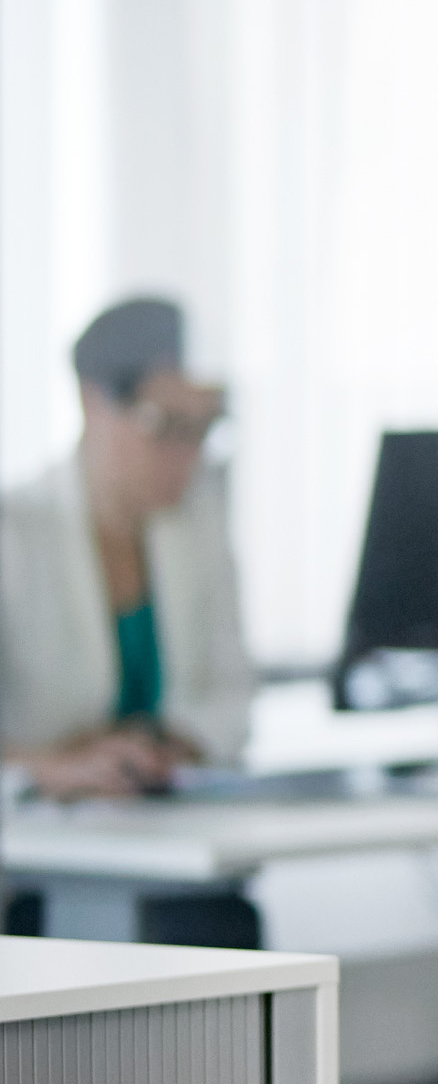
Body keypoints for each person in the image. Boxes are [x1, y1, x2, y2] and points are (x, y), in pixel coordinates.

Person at [1, 298, 255, 800]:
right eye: (166, 425)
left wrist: (169, 742)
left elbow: (235, 693)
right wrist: (56, 767)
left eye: (202, 429)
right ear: (93, 402)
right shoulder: (15, 532)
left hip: (168, 824)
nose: (188, 456)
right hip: (37, 845)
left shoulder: (198, 521)